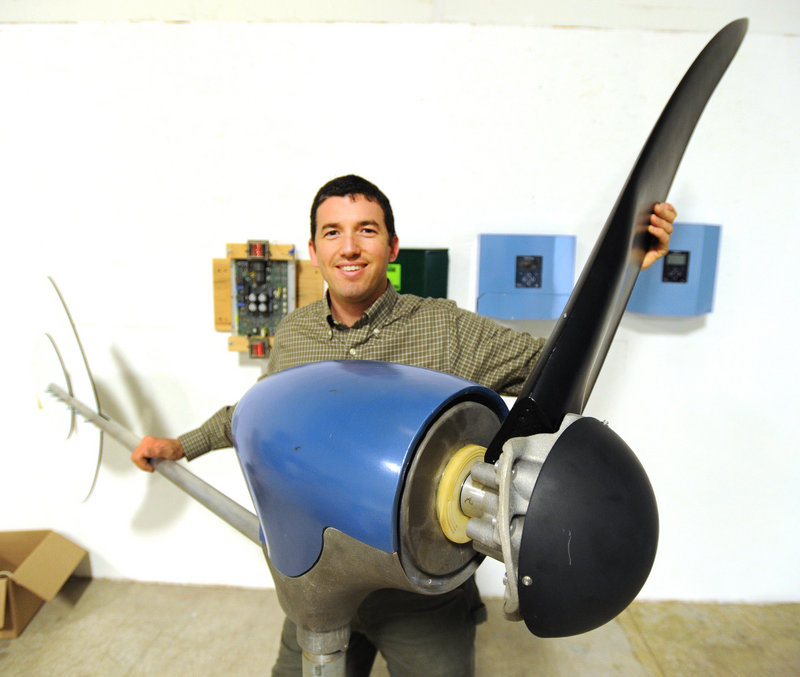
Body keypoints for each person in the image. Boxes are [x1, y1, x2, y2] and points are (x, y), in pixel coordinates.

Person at [132, 175, 676, 676]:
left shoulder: (443, 328)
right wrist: (181, 445)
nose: (349, 247)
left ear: (391, 248)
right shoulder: (295, 333)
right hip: (318, 576)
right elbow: (253, 416)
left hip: (422, 598)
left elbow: (556, 368)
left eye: (366, 231)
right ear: (314, 251)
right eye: (333, 233)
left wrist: (623, 274)